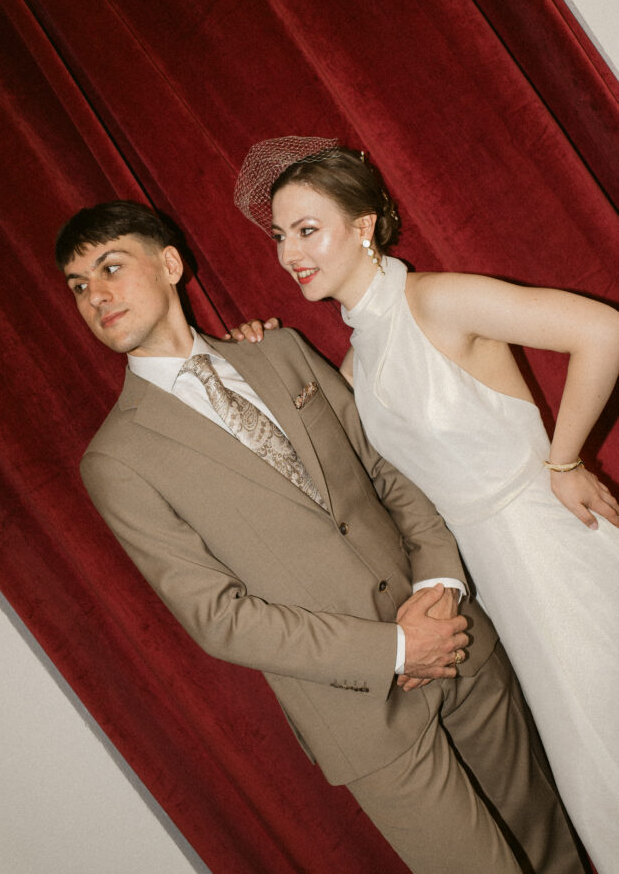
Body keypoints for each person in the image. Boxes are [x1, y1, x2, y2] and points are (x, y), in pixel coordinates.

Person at [55, 200, 587, 874]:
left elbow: (389, 470)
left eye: (110, 268)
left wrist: (440, 585)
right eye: (79, 286)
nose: (96, 296)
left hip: (460, 644)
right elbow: (219, 619)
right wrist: (398, 647)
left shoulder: (278, 351)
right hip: (361, 714)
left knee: (554, 853)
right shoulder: (116, 460)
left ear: (169, 264)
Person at [232, 135, 619, 874]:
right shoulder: (355, 362)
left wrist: (565, 459)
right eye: (280, 237)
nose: (289, 254)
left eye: (307, 229)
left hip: (555, 550)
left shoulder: (437, 299)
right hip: (497, 589)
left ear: (364, 225)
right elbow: (322, 468)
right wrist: (261, 357)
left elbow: (605, 330)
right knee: (591, 770)